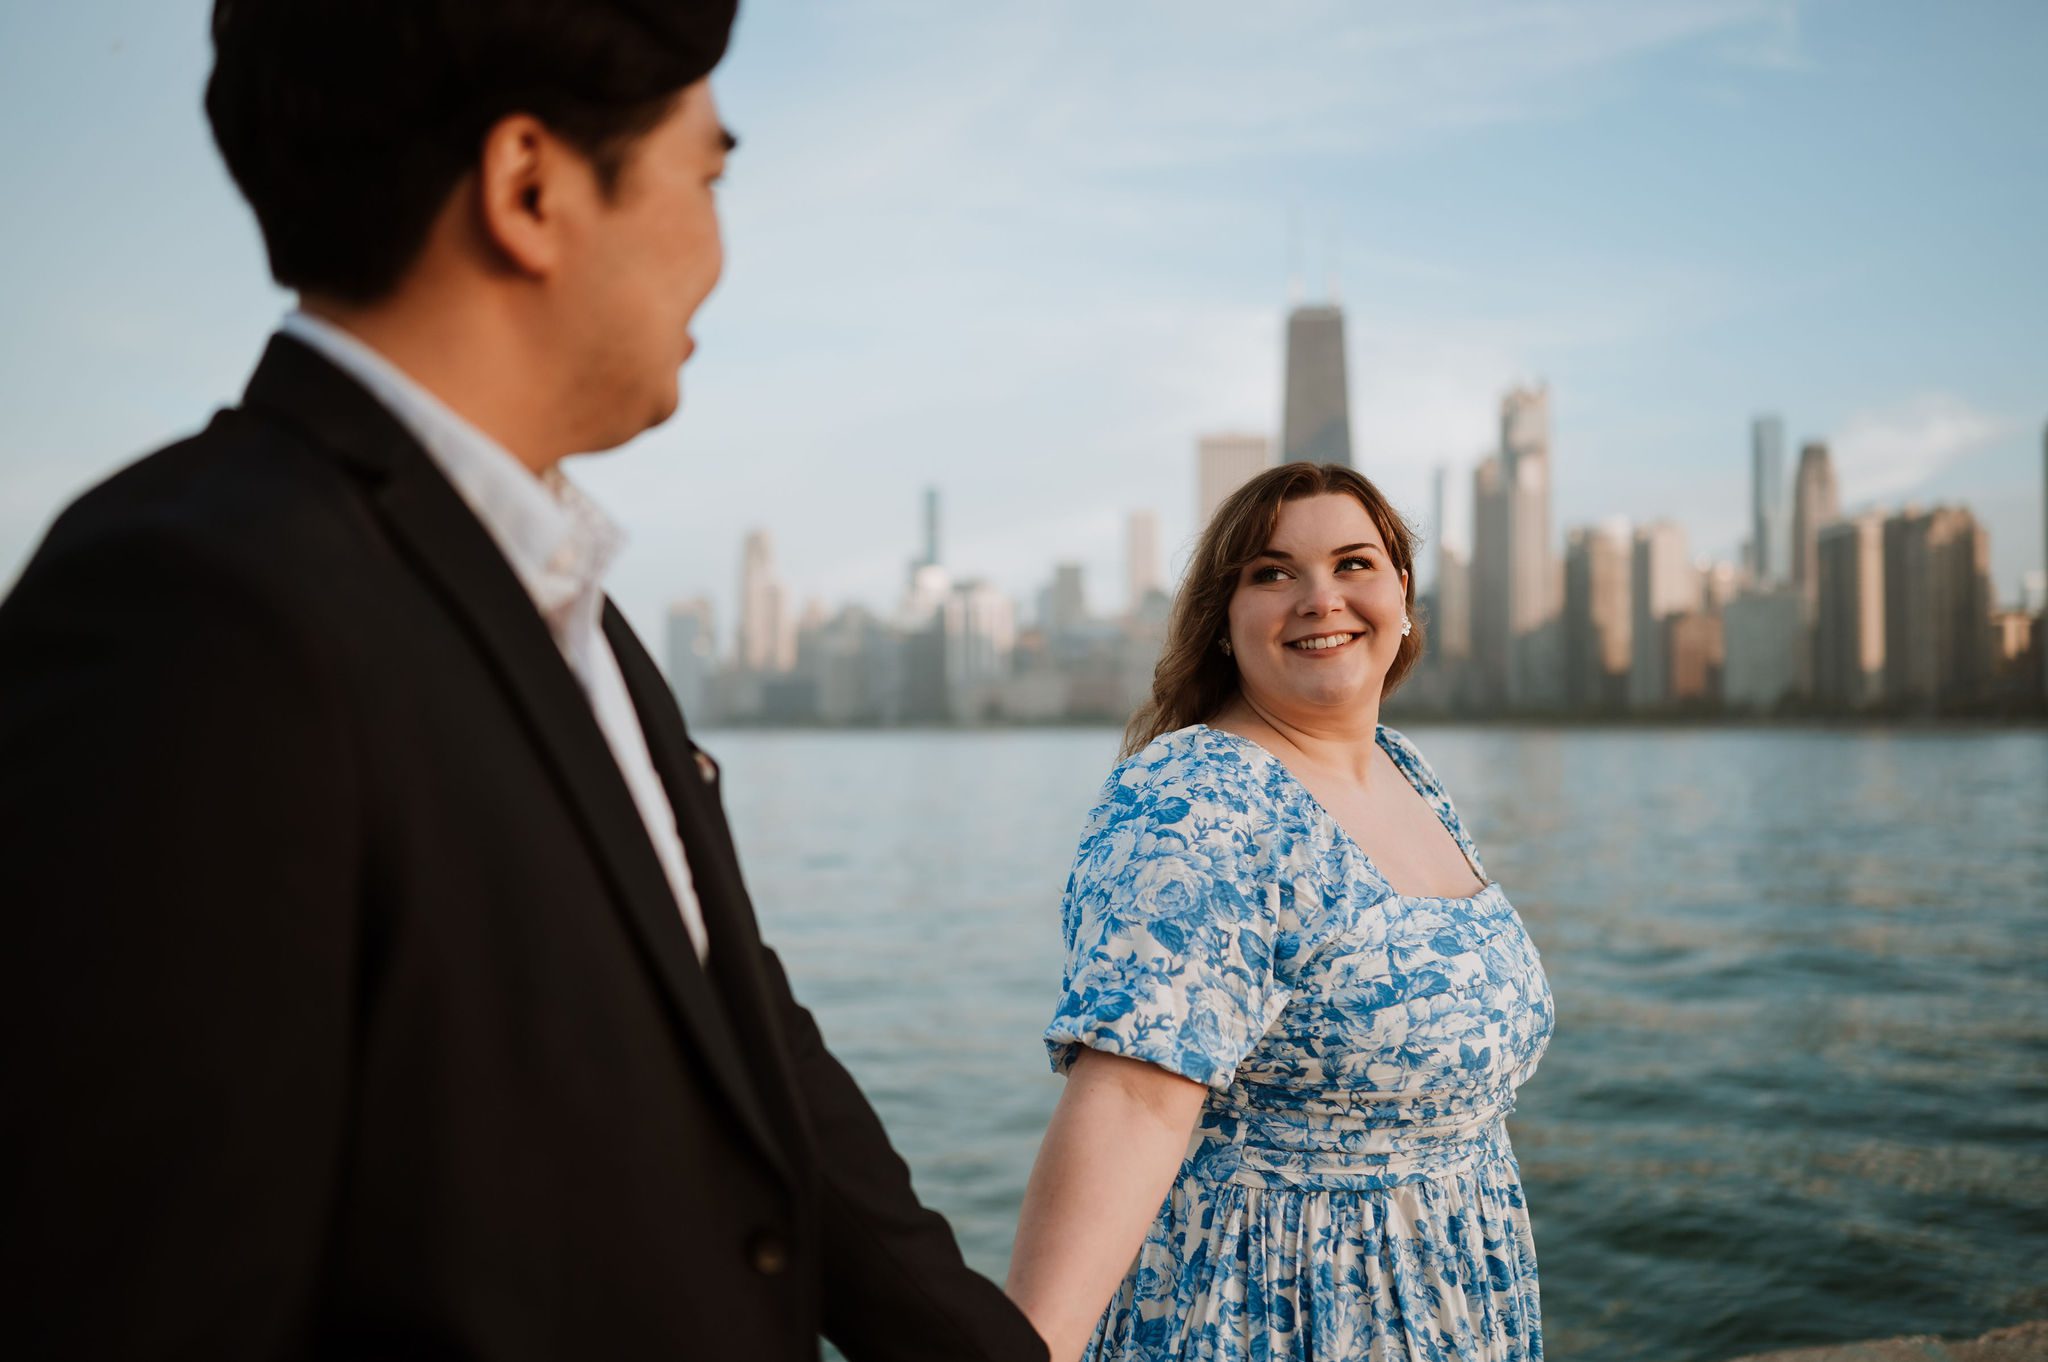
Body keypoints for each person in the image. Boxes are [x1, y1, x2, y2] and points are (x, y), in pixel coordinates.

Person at [0, 3, 1047, 1359]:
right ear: (532, 188)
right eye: (711, 177)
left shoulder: (573, 615)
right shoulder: (197, 612)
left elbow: (758, 1064)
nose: (721, 253)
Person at [1007, 462, 1556, 1361]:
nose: (1319, 598)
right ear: (1224, 620)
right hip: (1273, 1313)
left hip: (1452, 1305)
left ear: (1403, 594)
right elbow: (1133, 1107)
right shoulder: (1200, 797)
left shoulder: (1402, 768)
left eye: (1353, 564)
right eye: (1272, 573)